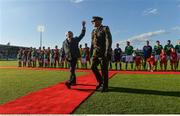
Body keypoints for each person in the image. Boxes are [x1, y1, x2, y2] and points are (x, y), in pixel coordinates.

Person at [90, 16, 112, 92]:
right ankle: (100, 81)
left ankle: (105, 86)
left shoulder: (105, 28)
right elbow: (92, 43)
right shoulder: (93, 31)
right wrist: (91, 53)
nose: (92, 23)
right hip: (95, 53)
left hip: (103, 52)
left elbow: (108, 40)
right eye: (92, 21)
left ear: (99, 21)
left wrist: (107, 50)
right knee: (93, 67)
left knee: (104, 70)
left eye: (94, 21)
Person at [63, 21, 86, 89]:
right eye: (68, 34)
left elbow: (82, 35)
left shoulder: (75, 39)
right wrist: (62, 57)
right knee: (72, 70)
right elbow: (63, 50)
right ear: (66, 35)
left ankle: (69, 82)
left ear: (72, 35)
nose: (69, 34)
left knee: (71, 70)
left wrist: (83, 27)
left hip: (74, 57)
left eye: (71, 33)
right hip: (68, 58)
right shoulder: (64, 42)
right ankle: (74, 82)